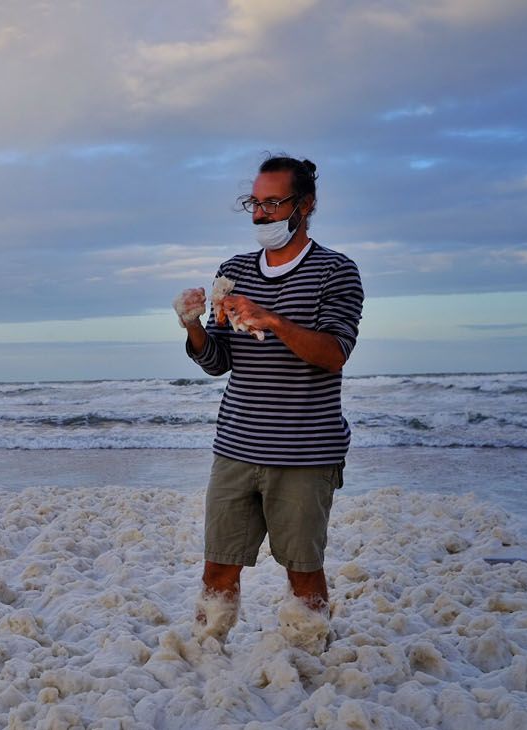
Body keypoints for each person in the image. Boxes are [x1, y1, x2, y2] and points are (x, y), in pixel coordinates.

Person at [172, 155, 364, 653]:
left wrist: (272, 319)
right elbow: (217, 361)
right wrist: (192, 324)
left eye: (273, 203)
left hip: (305, 452)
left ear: (307, 204)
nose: (261, 214)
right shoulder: (232, 270)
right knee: (218, 564)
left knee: (302, 570)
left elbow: (333, 356)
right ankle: (208, 650)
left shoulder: (336, 271)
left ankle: (309, 654)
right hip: (236, 445)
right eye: (254, 203)